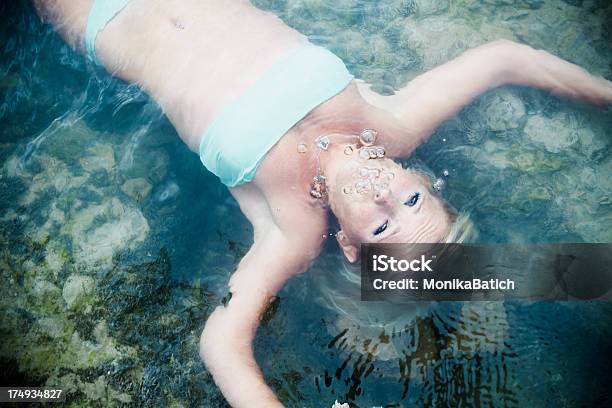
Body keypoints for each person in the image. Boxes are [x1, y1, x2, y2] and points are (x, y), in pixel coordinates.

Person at [34, 0, 612, 406]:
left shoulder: (293, 230)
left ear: (349, 245)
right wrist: (603, 94)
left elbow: (223, 342)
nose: (386, 194)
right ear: (420, 176)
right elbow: (504, 59)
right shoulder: (391, 126)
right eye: (411, 198)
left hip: (92, 14)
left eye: (383, 226)